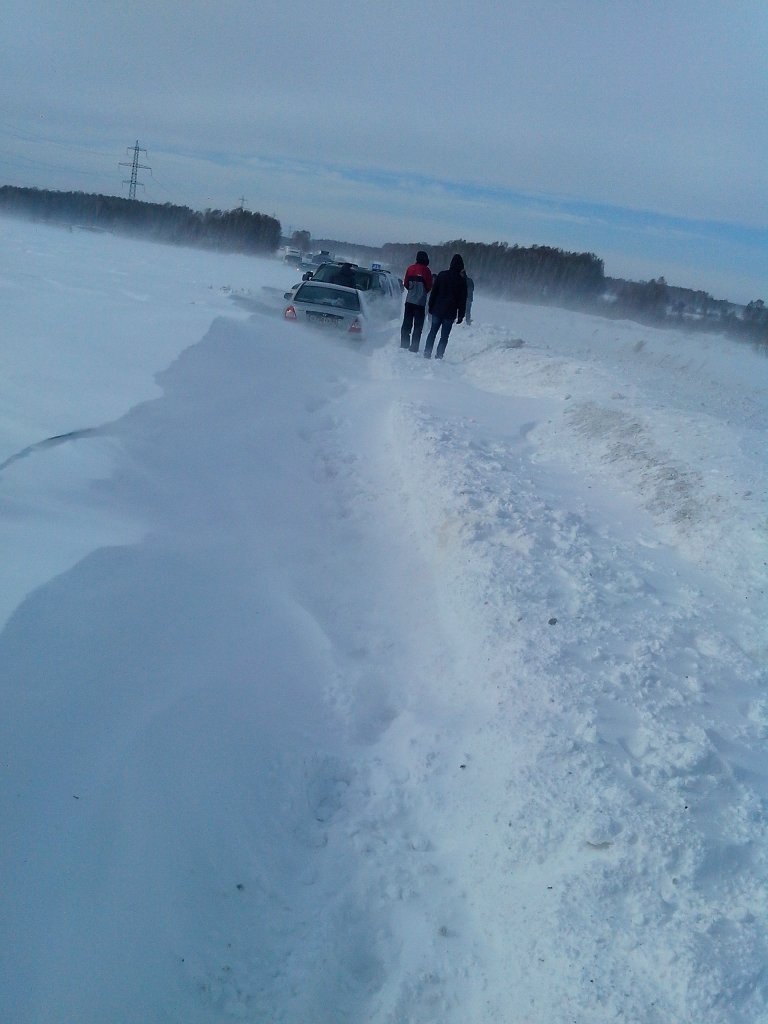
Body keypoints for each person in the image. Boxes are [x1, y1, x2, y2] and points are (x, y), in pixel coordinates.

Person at [423, 254, 467, 359]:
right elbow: (462, 300)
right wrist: (461, 315)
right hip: (450, 312)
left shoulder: (442, 275)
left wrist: (430, 305)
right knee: (444, 336)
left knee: (432, 332)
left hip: (437, 309)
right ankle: (439, 355)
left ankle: (427, 352)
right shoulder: (461, 281)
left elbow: (434, 292)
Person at [400, 251, 433, 351]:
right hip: (420, 303)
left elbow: (405, 283)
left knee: (406, 324)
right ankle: (414, 347)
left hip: (409, 301)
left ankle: (404, 344)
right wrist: (422, 292)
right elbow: (429, 286)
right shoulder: (427, 271)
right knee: (418, 326)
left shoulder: (410, 268)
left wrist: (412, 291)